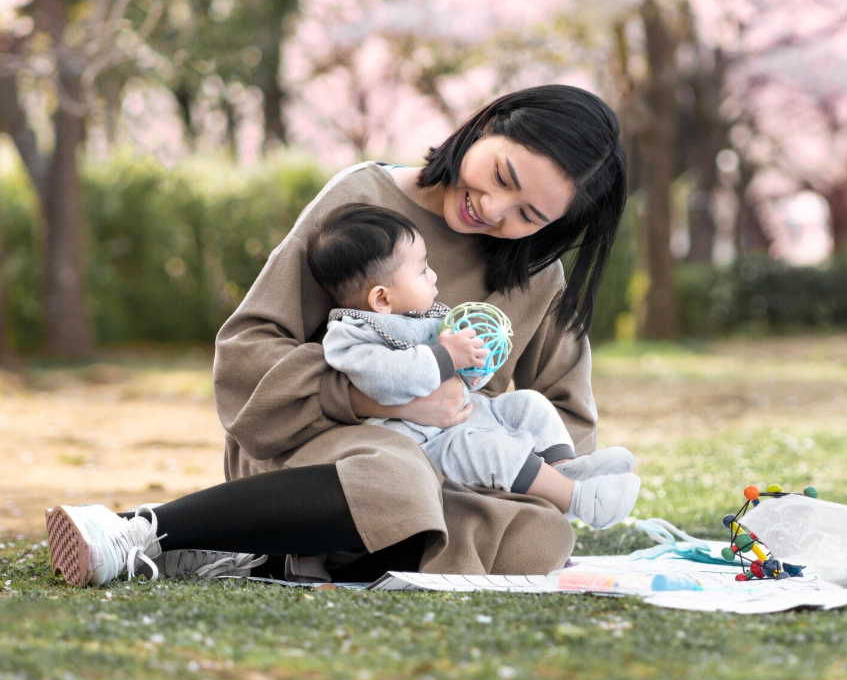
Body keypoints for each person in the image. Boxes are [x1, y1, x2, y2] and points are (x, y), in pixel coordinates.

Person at [44, 85, 630, 587]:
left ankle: (274, 556)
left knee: (537, 538)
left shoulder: (536, 276)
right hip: (321, 447)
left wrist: (489, 440)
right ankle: (139, 531)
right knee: (397, 478)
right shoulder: (364, 203)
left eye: (530, 215)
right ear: (484, 125)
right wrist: (375, 398)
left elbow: (563, 413)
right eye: (501, 176)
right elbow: (249, 349)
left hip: (453, 474)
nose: (495, 209)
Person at [310, 202, 639, 527]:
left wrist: (474, 368)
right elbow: (386, 380)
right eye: (422, 270)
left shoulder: (424, 317)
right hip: (422, 448)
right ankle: (578, 500)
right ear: (381, 298)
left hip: (464, 416)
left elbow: (458, 379)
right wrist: (447, 355)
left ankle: (564, 467)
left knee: (528, 404)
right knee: (491, 450)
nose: (433, 274)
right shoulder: (350, 336)